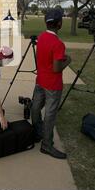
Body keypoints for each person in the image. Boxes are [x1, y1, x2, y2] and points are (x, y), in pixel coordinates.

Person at [31, 8, 71, 159]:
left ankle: (36, 133)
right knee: (50, 115)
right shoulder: (58, 43)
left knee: (35, 107)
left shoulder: (41, 37)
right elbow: (56, 68)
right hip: (52, 85)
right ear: (59, 24)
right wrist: (67, 61)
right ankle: (47, 145)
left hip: (40, 80)